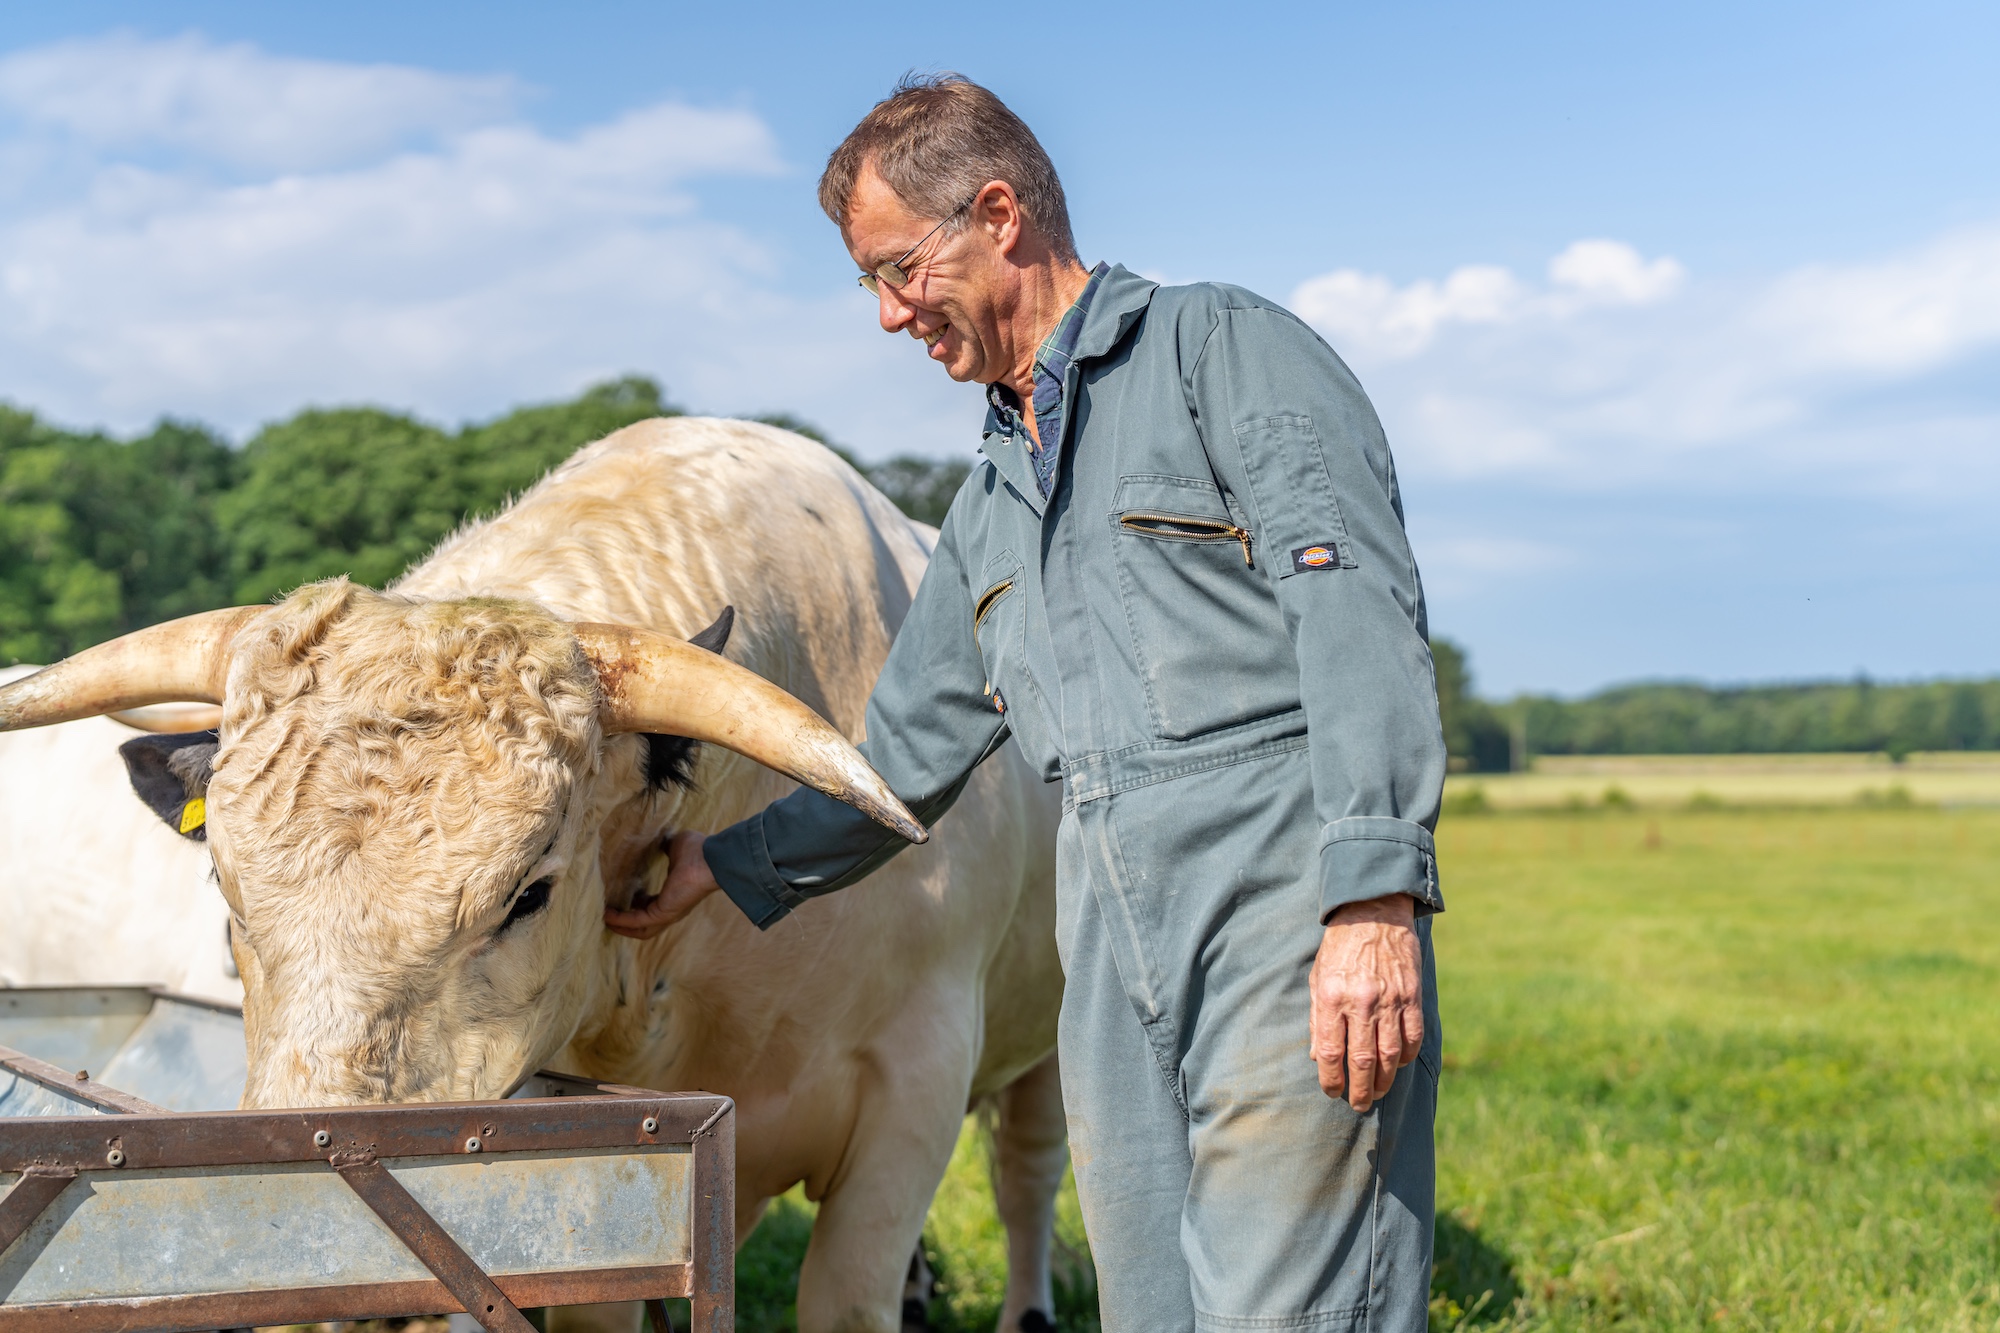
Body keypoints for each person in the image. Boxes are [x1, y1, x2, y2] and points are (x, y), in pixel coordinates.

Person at [606, 73, 1447, 1333]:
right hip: (1101, 944)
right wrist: (715, 871)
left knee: (1292, 1303)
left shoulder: (1222, 351)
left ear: (997, 212)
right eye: (867, 286)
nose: (889, 317)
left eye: (898, 271)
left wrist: (1370, 897)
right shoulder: (993, 496)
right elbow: (899, 761)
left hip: (1280, 907)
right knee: (1149, 1306)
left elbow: (1358, 619)